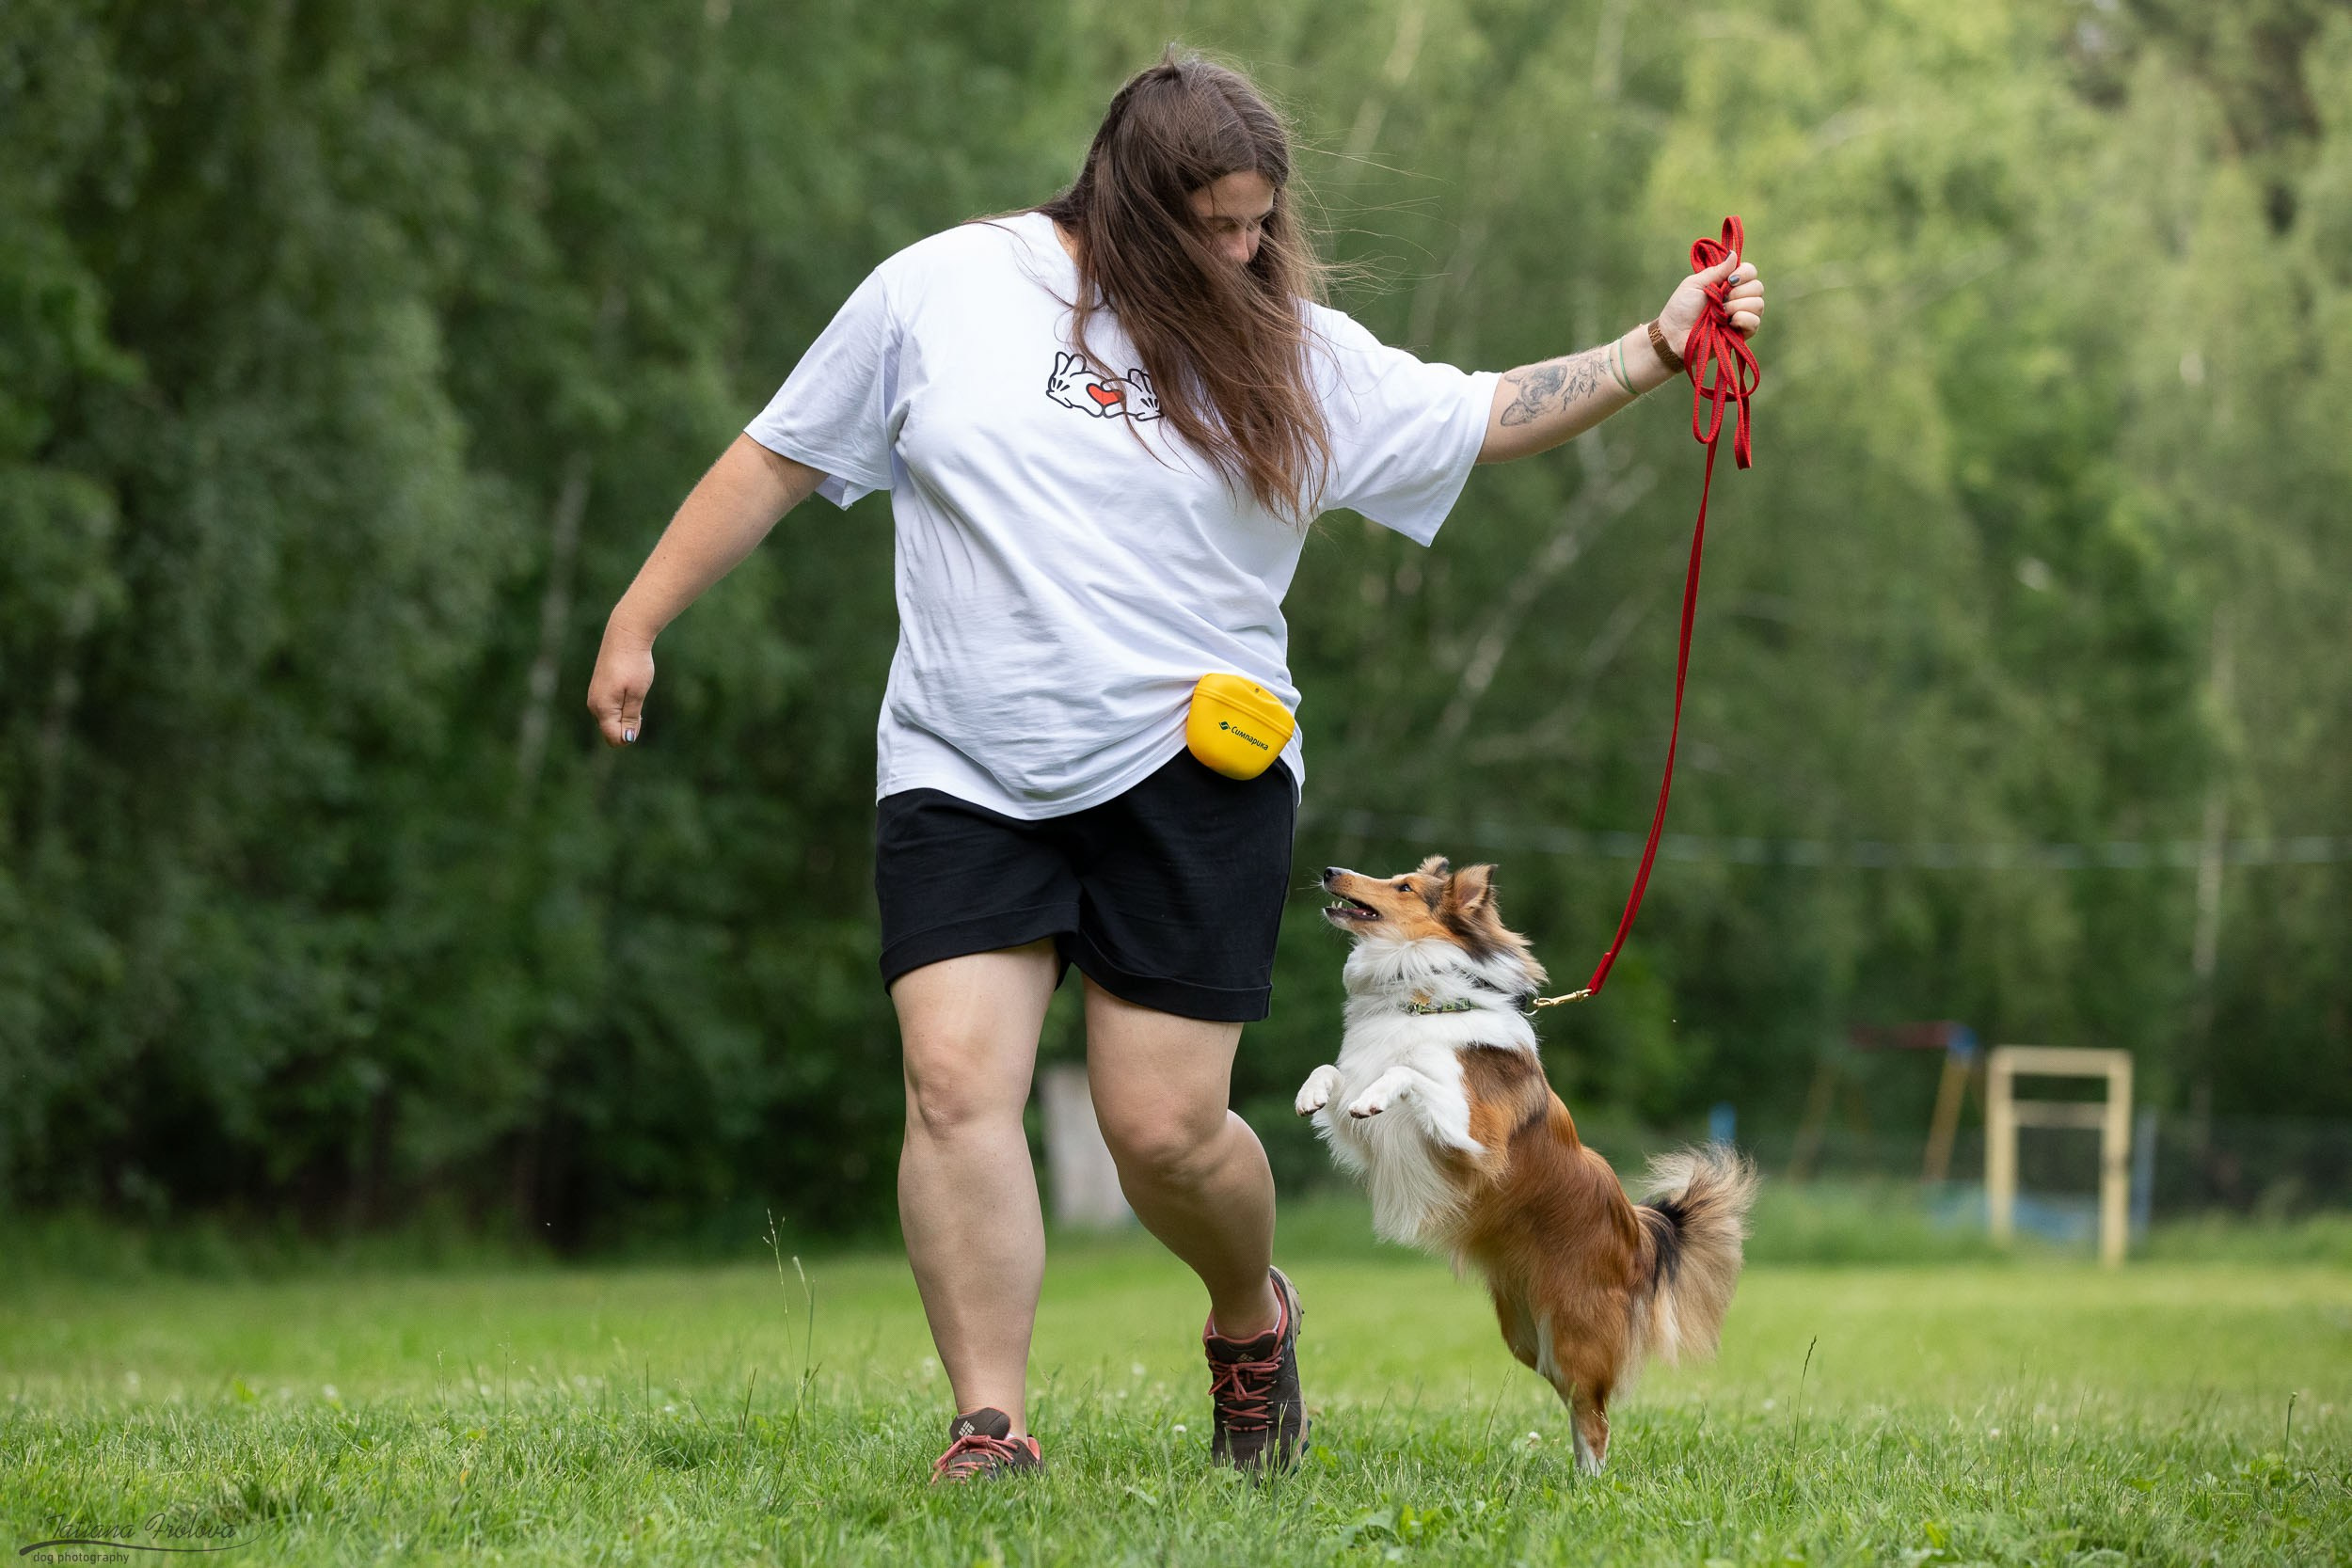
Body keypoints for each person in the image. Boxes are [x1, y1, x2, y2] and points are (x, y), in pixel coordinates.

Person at [584, 49, 1765, 1484]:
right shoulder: (940, 292)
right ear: (1124, 203)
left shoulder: (1291, 350)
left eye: (1260, 221)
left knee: (1164, 1130)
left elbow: (1483, 411)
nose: (1245, 249)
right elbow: (776, 455)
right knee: (957, 1086)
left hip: (1193, 777)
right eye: (1213, 224)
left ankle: (1249, 1319)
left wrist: (1651, 348)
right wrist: (640, 617)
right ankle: (991, 1426)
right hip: (962, 762)